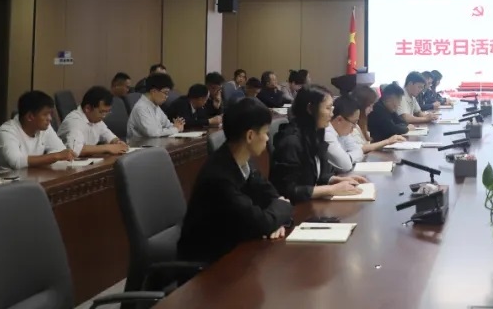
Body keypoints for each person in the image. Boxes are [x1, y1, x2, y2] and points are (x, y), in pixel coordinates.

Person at [178, 98, 294, 264]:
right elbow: (262, 221)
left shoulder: (242, 160)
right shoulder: (219, 178)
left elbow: (269, 194)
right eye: (265, 132)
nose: (268, 138)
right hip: (210, 263)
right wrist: (279, 213)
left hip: (235, 245)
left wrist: (275, 220)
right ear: (250, 136)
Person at [270, 87, 368, 202]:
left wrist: (335, 180)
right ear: (310, 109)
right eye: (328, 108)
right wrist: (331, 189)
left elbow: (316, 174)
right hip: (296, 208)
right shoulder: (291, 141)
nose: (332, 114)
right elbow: (288, 190)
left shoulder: (316, 133)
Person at [0, 91, 76, 177]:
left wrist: (57, 156)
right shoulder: (6, 132)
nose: (50, 118)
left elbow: (60, 150)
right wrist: (55, 156)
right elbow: (17, 162)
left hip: (25, 178)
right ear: (30, 117)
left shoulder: (44, 128)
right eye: (45, 114)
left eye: (50, 114)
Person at [59, 86, 129, 157]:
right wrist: (107, 148)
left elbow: (108, 135)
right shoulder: (74, 121)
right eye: (102, 112)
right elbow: (75, 150)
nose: (104, 116)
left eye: (107, 112)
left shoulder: (95, 119)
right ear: (88, 108)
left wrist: (117, 142)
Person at [349, 85, 406, 153]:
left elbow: (367, 142)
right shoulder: (352, 125)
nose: (372, 109)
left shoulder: (362, 122)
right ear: (362, 105)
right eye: (370, 106)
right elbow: (362, 148)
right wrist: (387, 141)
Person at [128, 72, 184, 138]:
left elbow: (167, 124)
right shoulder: (140, 108)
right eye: (165, 93)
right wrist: (175, 129)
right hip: (140, 143)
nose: (167, 97)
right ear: (154, 91)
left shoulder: (155, 106)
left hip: (155, 142)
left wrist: (177, 126)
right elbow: (152, 133)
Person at [324, 96, 364, 172]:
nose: (355, 127)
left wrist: (348, 157)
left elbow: (359, 151)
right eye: (354, 122)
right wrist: (348, 158)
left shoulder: (343, 132)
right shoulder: (327, 132)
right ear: (339, 120)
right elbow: (345, 165)